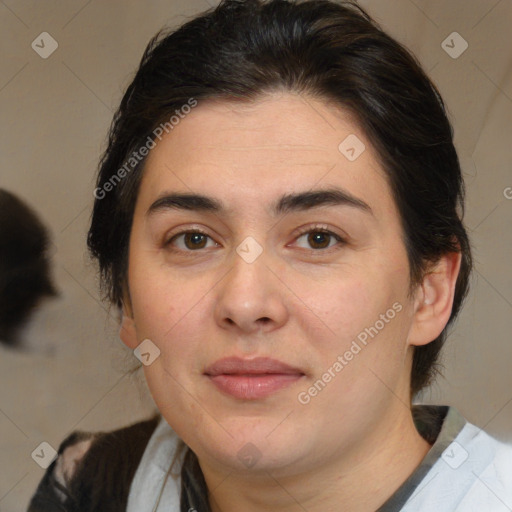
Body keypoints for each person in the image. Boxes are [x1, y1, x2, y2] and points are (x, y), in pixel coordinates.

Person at [28, 0, 512, 510]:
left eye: (318, 239)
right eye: (193, 239)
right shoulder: (91, 486)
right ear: (125, 295)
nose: (244, 301)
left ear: (430, 290)